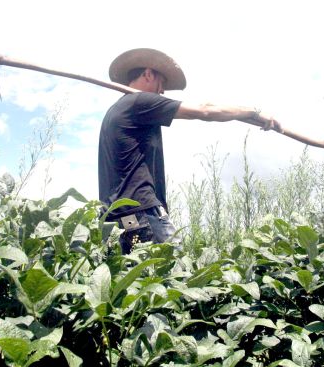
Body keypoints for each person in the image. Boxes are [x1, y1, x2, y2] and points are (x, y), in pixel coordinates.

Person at [98, 48, 279, 253]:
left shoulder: (117, 110)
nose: (163, 92)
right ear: (148, 74)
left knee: (131, 282)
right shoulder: (139, 102)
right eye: (162, 83)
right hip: (141, 213)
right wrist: (254, 112)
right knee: (174, 276)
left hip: (114, 220)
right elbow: (205, 110)